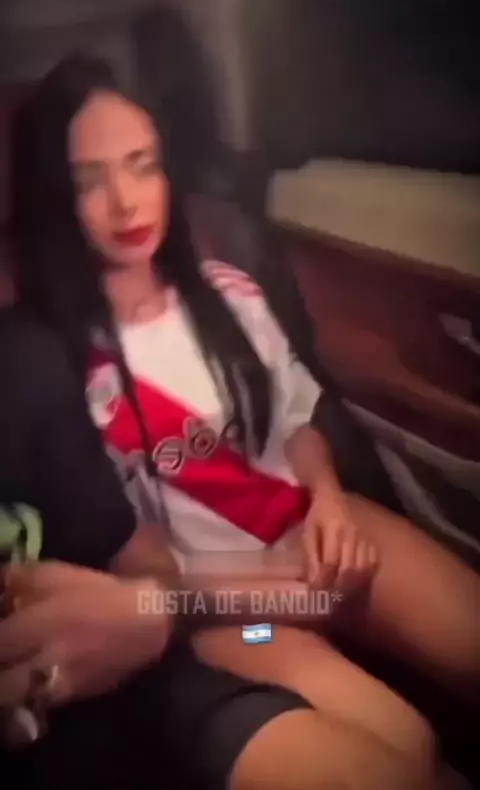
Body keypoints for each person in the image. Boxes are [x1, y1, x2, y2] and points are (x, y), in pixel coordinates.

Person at [7, 54, 480, 782]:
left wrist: (329, 503)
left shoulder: (229, 292)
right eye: (90, 181)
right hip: (227, 613)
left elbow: (297, 412)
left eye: (142, 166)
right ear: (55, 199)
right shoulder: (51, 364)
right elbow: (134, 563)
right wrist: (278, 594)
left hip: (318, 545)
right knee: (405, 745)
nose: (127, 202)